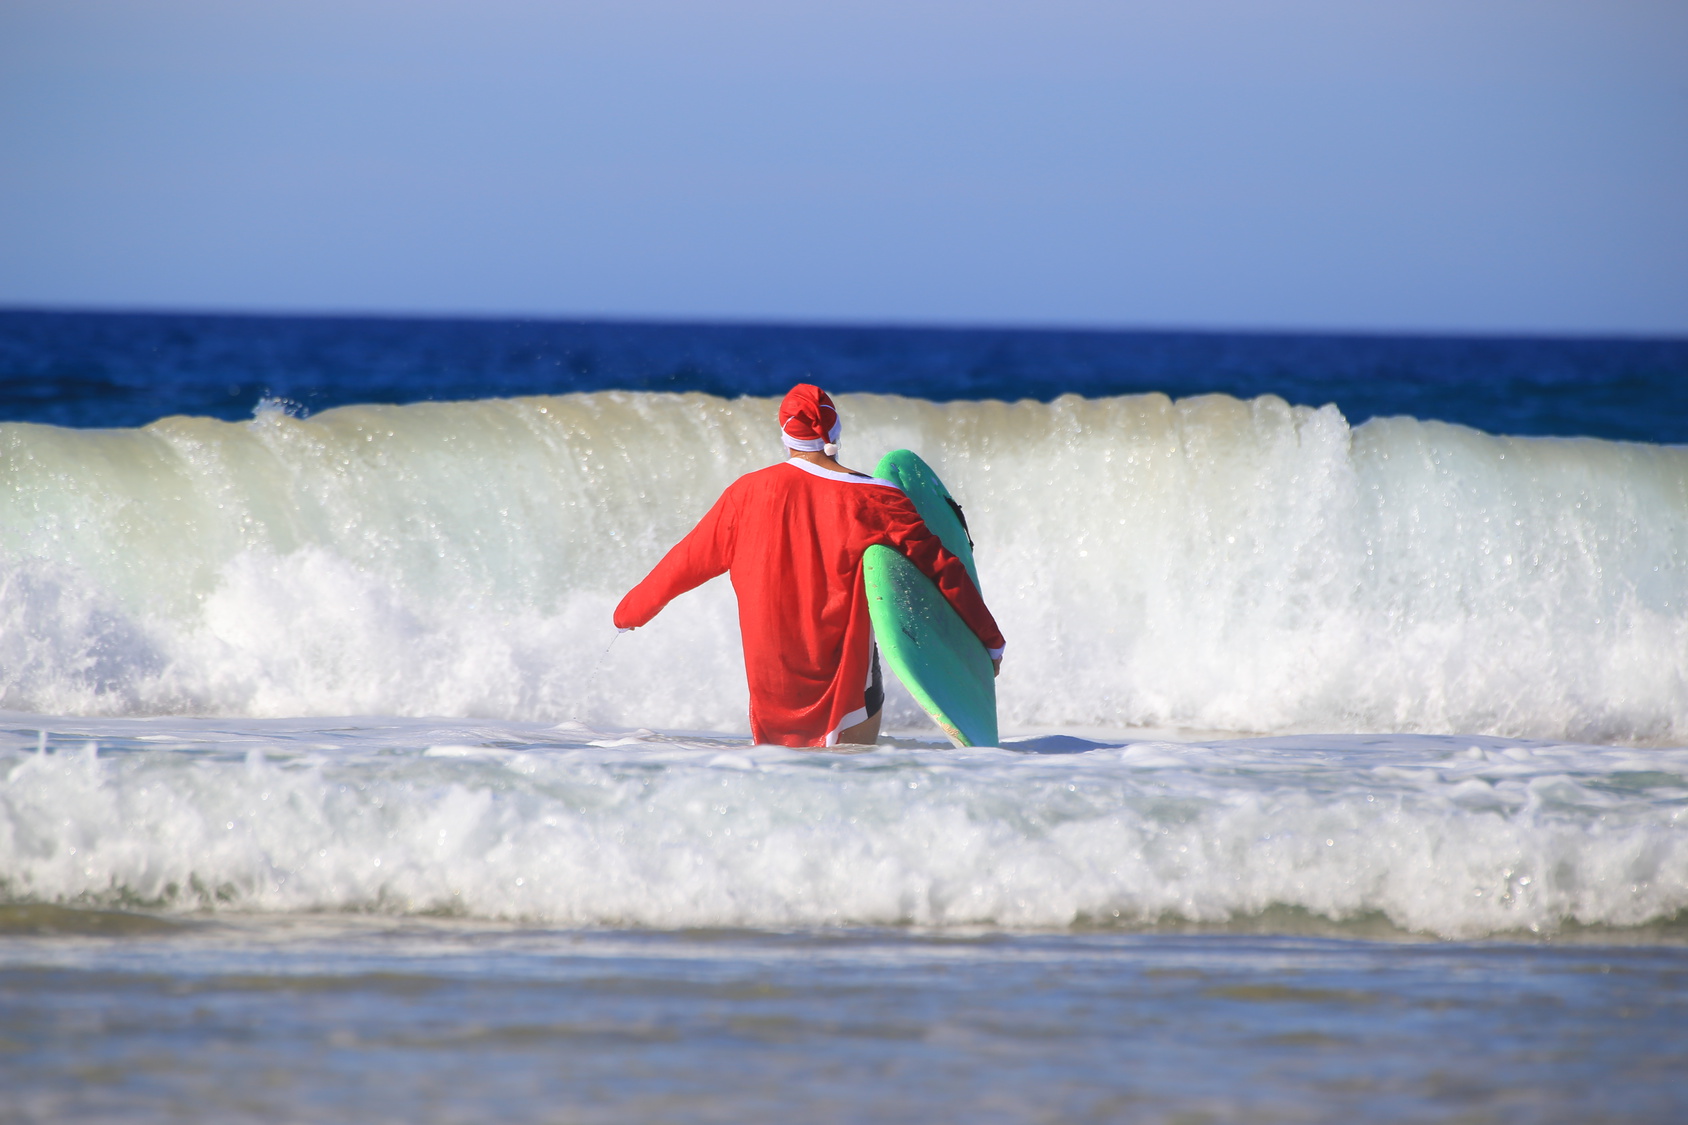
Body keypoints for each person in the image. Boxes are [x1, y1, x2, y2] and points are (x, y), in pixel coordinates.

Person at [613, 384, 1006, 748]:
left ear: (785, 436)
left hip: (771, 685)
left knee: (785, 786)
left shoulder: (744, 493)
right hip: (844, 682)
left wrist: (631, 611)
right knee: (849, 781)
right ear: (835, 432)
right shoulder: (876, 496)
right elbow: (943, 569)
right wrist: (989, 641)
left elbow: (684, 562)